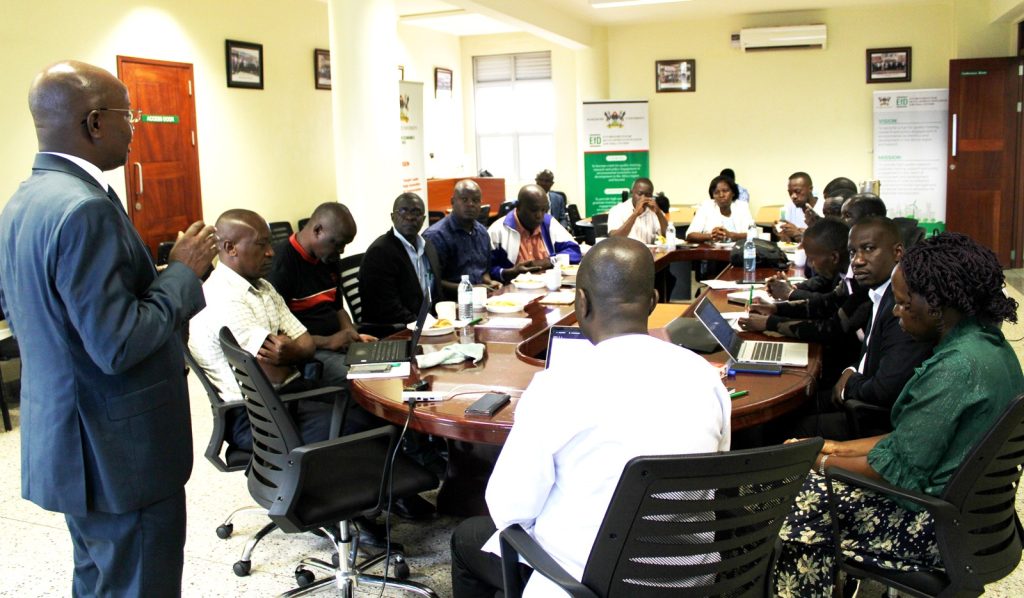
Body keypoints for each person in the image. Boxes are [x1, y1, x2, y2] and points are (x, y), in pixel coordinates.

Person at [0, 60, 217, 596]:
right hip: (120, 451)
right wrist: (184, 275)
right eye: (130, 115)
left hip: (72, 444)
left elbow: (59, 317)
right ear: (95, 123)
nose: (134, 128)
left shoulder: (24, 201)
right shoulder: (84, 210)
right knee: (139, 582)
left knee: (100, 580)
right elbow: (117, 343)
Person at [450, 237, 731, 597]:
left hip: (585, 585)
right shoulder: (704, 375)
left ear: (580, 302)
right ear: (653, 302)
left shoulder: (557, 385)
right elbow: (714, 473)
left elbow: (509, 510)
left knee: (467, 538)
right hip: (690, 578)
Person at [773, 232, 1024, 597]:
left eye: (904, 303)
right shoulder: (988, 347)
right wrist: (829, 448)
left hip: (931, 529)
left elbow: (891, 470)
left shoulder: (956, 370)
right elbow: (907, 442)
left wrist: (816, 464)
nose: (895, 310)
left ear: (935, 305)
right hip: (971, 523)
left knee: (784, 501)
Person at [189, 209, 334, 450]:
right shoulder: (223, 298)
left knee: (360, 404)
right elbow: (273, 374)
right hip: (255, 418)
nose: (271, 252)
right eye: (261, 244)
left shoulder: (263, 286)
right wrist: (291, 351)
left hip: (285, 397)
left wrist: (290, 353)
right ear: (230, 247)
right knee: (361, 423)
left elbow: (306, 342)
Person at [360, 192, 444, 328]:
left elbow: (436, 293)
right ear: (393, 217)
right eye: (403, 211)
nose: (410, 217)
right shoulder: (380, 252)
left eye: (416, 212)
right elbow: (388, 309)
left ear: (423, 219)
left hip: (427, 325)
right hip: (394, 330)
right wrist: (426, 325)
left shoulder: (428, 247)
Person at [488, 184, 581, 283]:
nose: (539, 215)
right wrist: (509, 273)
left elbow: (575, 251)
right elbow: (487, 269)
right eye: (533, 210)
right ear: (518, 207)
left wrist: (549, 261)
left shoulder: (548, 223)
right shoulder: (497, 231)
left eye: (543, 210)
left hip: (548, 287)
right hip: (513, 291)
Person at [423, 179, 502, 294]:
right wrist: (470, 289)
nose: (470, 204)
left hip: (480, 299)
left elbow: (484, 271)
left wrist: (489, 283)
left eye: (475, 200)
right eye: (464, 199)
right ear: (452, 201)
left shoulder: (482, 232)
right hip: (451, 303)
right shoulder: (436, 236)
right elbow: (431, 281)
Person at [685, 175, 755, 243]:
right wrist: (712, 236)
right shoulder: (706, 206)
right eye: (716, 192)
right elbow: (689, 235)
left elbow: (753, 234)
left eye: (725, 191)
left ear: (733, 192)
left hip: (738, 251)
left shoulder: (741, 206)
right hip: (712, 251)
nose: (721, 195)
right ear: (713, 195)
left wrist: (730, 235)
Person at [607, 177, 667, 243]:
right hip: (625, 251)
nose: (643, 198)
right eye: (640, 194)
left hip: (649, 252)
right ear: (632, 192)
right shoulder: (617, 210)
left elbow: (667, 235)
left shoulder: (654, 211)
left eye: (648, 195)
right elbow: (614, 239)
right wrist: (635, 214)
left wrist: (659, 213)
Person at [777, 171, 821, 242]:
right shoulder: (789, 206)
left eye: (798, 191)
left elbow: (825, 243)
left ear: (810, 189)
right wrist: (781, 233)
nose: (793, 196)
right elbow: (786, 243)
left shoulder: (823, 208)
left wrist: (797, 233)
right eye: (790, 193)